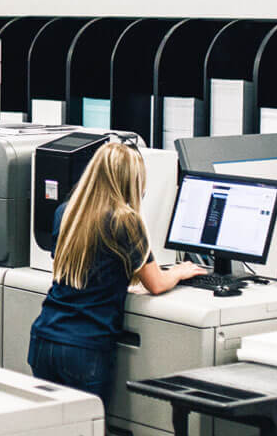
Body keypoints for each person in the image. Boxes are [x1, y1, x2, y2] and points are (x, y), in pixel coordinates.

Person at [28, 142, 205, 405]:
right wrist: (179, 271)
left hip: (45, 339)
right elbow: (156, 284)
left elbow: (85, 268)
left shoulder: (67, 213)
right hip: (84, 349)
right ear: (133, 182)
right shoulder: (126, 221)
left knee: (56, 432)